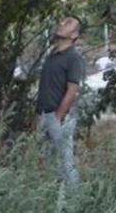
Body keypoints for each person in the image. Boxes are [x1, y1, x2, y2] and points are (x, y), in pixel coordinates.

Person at [36, 15, 85, 184]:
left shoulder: (74, 58)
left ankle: (75, 202)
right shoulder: (52, 55)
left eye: (68, 23)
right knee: (49, 163)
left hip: (59, 117)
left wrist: (58, 116)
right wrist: (39, 115)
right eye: (62, 20)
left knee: (66, 164)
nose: (61, 23)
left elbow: (71, 92)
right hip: (44, 114)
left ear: (74, 35)